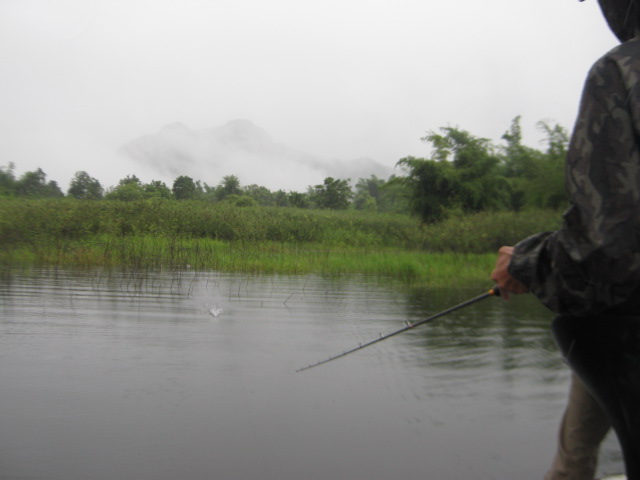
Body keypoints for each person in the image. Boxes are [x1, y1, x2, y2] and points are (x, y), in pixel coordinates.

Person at [491, 1, 640, 479]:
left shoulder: (621, 71)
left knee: (575, 450)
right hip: (616, 317)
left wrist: (524, 263)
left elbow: (601, 251)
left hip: (621, 324)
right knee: (575, 448)